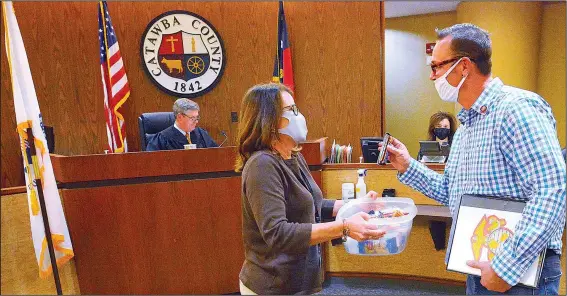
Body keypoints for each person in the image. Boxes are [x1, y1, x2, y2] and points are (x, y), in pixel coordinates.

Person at [383, 24, 565, 294]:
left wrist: (506, 266)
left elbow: (552, 190)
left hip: (518, 271)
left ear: (463, 66)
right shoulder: (468, 124)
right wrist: (408, 165)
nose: (432, 77)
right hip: (481, 262)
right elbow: (451, 191)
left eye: (436, 67)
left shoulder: (516, 109)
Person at [235, 83, 384, 295]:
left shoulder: (293, 155)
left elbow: (313, 206)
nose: (299, 115)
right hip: (273, 285)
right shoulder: (262, 165)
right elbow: (277, 233)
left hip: (301, 280)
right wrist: (344, 227)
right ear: (268, 120)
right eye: (291, 110)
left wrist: (358, 205)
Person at [146, 98, 218, 151]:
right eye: (192, 118)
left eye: (197, 117)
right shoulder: (161, 139)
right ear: (180, 117)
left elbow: (216, 154)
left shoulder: (201, 133)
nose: (196, 121)